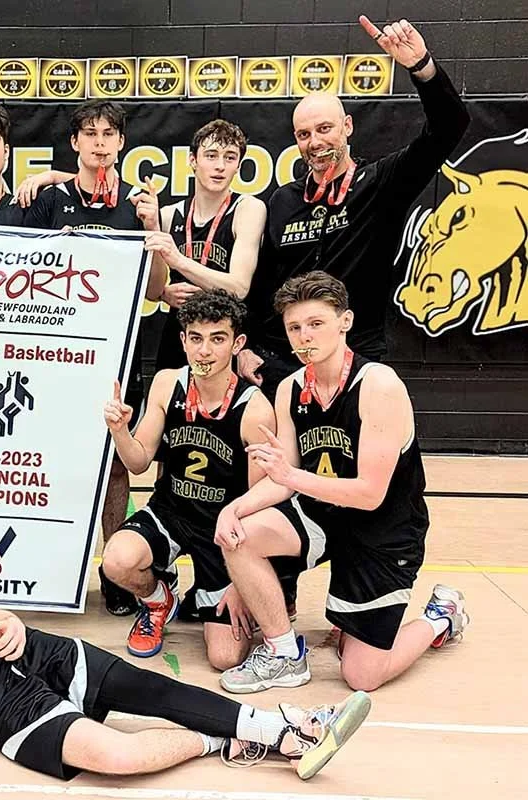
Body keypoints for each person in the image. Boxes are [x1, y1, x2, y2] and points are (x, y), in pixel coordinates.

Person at [0, 505, 372, 781]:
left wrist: (10, 625)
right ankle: (216, 741)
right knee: (116, 757)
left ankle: (285, 730)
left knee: (152, 690)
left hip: (27, 656)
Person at [215, 272, 468, 694]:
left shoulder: (379, 386)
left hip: (383, 530)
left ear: (345, 322)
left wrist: (290, 477)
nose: (304, 337)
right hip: (323, 514)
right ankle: (283, 655)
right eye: (294, 327)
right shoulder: (291, 388)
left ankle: (440, 615)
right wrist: (234, 509)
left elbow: (369, 494)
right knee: (238, 534)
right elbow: (282, 479)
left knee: (361, 675)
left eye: (315, 324)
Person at [239, 16, 470, 395]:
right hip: (284, 358)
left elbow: (449, 126)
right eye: (304, 134)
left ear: (347, 126)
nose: (315, 142)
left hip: (356, 354)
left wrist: (420, 66)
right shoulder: (283, 199)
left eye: (324, 128)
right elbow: (263, 281)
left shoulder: (381, 183)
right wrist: (248, 346)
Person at [101, 290, 300, 670]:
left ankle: (265, 595)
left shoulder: (253, 408)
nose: (204, 351)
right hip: (171, 511)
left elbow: (262, 498)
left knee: (224, 658)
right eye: (196, 338)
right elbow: (139, 462)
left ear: (237, 343)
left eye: (217, 339)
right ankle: (160, 601)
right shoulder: (166, 384)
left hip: (225, 528)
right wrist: (120, 432)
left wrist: (245, 584)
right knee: (118, 560)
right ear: (183, 341)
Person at [24, 99, 165, 617]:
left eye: (109, 133)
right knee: (51, 460)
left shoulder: (139, 203)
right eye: (90, 132)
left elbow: (155, 289)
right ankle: (52, 566)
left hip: (117, 354)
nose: (100, 141)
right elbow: (15, 273)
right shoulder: (50, 198)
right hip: (56, 354)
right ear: (75, 142)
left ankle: (115, 574)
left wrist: (153, 236)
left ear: (122, 143)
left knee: (113, 467)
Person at [143, 120, 266, 371]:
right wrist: (165, 292)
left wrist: (177, 260)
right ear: (192, 161)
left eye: (230, 157)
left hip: (225, 336)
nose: (220, 166)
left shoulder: (247, 209)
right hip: (180, 335)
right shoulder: (168, 215)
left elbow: (239, 287)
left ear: (238, 166)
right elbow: (152, 291)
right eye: (211, 156)